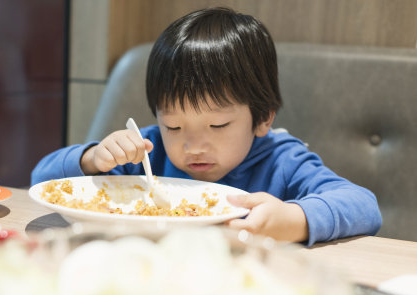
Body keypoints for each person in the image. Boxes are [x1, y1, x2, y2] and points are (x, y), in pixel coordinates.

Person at [31, 7, 382, 246]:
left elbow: (364, 206)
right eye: (174, 125)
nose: (193, 145)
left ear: (263, 117)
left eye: (217, 125)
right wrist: (92, 159)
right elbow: (40, 183)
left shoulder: (282, 161)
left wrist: (296, 219)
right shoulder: (146, 153)